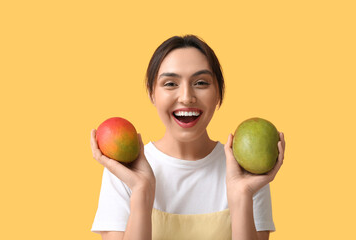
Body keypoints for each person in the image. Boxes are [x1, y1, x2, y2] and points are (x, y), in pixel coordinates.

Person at [90, 35, 286, 240]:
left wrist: (242, 196)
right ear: (152, 93)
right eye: (170, 84)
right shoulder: (125, 172)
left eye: (201, 83)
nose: (186, 97)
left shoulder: (246, 172)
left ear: (218, 93)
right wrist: (142, 190)